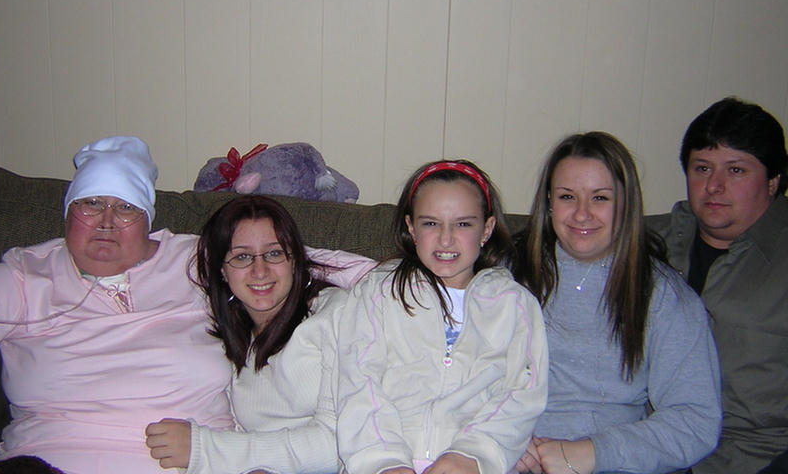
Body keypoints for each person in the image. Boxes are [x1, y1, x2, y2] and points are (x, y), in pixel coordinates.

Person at [0, 136, 234, 473]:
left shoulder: (196, 261)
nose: (106, 221)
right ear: (68, 213)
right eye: (90, 203)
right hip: (46, 460)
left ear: (147, 221)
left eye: (126, 207)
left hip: (197, 460)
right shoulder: (27, 275)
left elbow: (291, 267)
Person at [514, 131, 722, 474]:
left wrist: (591, 453)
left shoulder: (663, 295)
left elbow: (696, 421)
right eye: (567, 197)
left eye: (600, 198)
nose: (582, 214)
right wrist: (500, 438)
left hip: (612, 464)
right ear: (549, 203)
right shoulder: (506, 277)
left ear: (626, 205)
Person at [336, 160, 548, 474]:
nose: (446, 239)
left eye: (463, 224)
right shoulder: (379, 291)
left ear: (486, 229)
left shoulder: (514, 305)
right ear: (411, 228)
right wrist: (383, 463)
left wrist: (473, 455)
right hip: (382, 461)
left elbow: (523, 395)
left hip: (473, 464)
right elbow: (358, 382)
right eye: (431, 223)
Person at [145, 195, 376, 473]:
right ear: (222, 270)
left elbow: (339, 444)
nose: (260, 271)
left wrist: (205, 449)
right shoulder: (225, 343)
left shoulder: (336, 313)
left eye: (274, 253)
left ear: (294, 260)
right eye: (242, 257)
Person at [649, 97, 788, 474]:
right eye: (702, 168)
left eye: (736, 170)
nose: (714, 186)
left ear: (773, 181)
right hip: (649, 448)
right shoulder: (649, 243)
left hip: (754, 457)